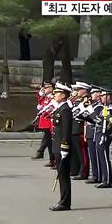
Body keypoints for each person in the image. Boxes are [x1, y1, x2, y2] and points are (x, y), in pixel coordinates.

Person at [49, 83, 73, 211]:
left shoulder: (65, 110)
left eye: (57, 93)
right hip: (57, 146)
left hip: (62, 148)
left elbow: (66, 131)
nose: (54, 95)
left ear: (63, 95)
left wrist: (65, 147)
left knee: (63, 176)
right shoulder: (60, 108)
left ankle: (65, 202)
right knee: (61, 175)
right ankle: (63, 200)